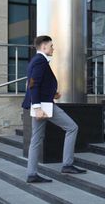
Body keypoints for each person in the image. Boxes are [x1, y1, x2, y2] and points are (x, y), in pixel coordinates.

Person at [22, 35, 87, 183]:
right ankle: (67, 164)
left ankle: (32, 174)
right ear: (44, 47)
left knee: (36, 139)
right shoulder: (40, 61)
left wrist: (52, 93)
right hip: (44, 106)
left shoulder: (36, 61)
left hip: (43, 103)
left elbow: (35, 83)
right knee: (72, 127)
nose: (53, 48)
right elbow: (33, 84)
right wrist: (38, 107)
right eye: (51, 46)